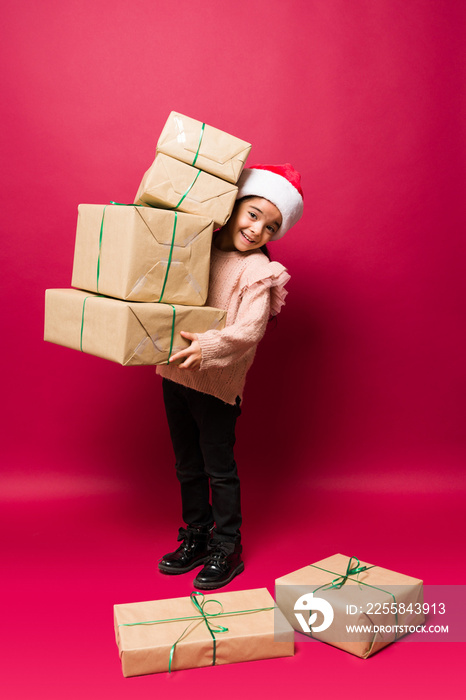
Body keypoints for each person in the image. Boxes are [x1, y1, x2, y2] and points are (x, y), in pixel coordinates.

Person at [156, 164, 304, 590]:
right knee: (186, 465)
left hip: (217, 386)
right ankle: (196, 535)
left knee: (218, 468)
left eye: (271, 226)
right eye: (254, 214)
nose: (258, 229)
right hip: (174, 373)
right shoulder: (199, 247)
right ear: (235, 206)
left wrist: (207, 347)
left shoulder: (259, 271)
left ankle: (227, 546)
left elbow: (249, 330)